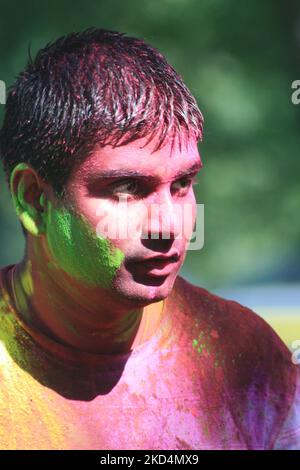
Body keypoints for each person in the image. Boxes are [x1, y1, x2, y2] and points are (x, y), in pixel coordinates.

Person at [0, 27, 298, 450]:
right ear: (34, 199)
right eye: (127, 189)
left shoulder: (248, 362)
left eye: (182, 184)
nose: (167, 225)